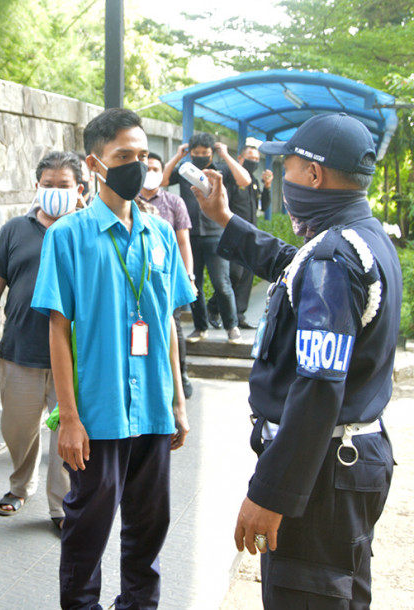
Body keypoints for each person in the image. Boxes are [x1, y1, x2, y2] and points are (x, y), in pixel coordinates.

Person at [194, 113, 400, 610]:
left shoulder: (334, 256)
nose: (282, 181)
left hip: (322, 473)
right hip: (342, 468)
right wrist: (225, 218)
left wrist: (271, 494)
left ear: (313, 174)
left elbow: (317, 386)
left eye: (287, 168)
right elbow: (292, 264)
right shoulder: (361, 237)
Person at [32, 108, 194, 610]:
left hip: (152, 412)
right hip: (99, 415)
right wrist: (70, 419)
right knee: (86, 529)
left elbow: (166, 320)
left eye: (143, 156)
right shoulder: (68, 236)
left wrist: (178, 403)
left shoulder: (161, 235)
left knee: (149, 530)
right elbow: (58, 330)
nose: (138, 166)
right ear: (95, 162)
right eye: (124, 156)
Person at [0, 151, 82, 529]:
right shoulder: (14, 230)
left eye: (64, 185)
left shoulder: (88, 230)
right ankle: (21, 485)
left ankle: (62, 506)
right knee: (17, 431)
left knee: (66, 435)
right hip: (19, 352)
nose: (55, 191)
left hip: (73, 359)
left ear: (79, 189)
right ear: (37, 186)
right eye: (48, 185)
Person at [163, 132, 252, 344]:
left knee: (222, 282)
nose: (201, 156)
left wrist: (226, 155)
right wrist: (178, 156)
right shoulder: (186, 171)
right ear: (190, 153)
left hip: (216, 234)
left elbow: (245, 180)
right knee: (195, 284)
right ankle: (199, 327)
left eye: (205, 153)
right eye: (196, 153)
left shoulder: (221, 170)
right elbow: (163, 179)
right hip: (190, 234)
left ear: (212, 153)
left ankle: (232, 327)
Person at [138, 151, 195, 399]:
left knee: (173, 327)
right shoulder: (128, 201)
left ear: (163, 173)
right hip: (138, 279)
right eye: (146, 167)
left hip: (165, 276)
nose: (150, 173)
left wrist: (189, 275)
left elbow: (183, 242)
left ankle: (179, 375)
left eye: (155, 169)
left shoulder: (174, 202)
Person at [205, 145, 272, 328]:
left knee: (247, 276)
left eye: (257, 159)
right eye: (251, 158)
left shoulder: (254, 182)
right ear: (240, 158)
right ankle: (213, 307)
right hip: (233, 232)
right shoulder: (232, 179)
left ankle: (239, 315)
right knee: (234, 274)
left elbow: (263, 206)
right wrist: (225, 154)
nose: (254, 162)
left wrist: (267, 187)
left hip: (251, 233)